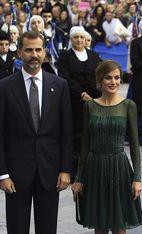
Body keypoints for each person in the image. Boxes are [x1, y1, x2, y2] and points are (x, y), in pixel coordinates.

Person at [0, 31, 73, 234]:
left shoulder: (59, 85)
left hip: (50, 171)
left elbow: (66, 131)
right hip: (16, 174)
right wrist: (2, 173)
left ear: (44, 52)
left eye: (38, 49)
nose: (33, 54)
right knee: (17, 228)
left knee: (47, 228)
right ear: (19, 52)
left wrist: (66, 169)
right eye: (28, 50)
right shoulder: (4, 87)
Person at [72, 60, 142, 234]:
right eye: (108, 78)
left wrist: (137, 178)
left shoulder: (128, 105)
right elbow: (85, 145)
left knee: (119, 226)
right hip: (95, 169)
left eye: (117, 78)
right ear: (99, 80)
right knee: (99, 224)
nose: (114, 82)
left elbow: (135, 145)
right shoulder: (90, 106)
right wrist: (79, 179)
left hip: (120, 168)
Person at [57, 26, 102, 181]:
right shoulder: (65, 56)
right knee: (75, 135)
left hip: (93, 100)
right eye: (76, 37)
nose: (79, 40)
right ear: (71, 39)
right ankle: (74, 170)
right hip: (74, 101)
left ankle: (91, 170)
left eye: (82, 37)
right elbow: (64, 77)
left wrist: (96, 96)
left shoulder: (94, 55)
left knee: (91, 134)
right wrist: (81, 93)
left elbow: (98, 76)